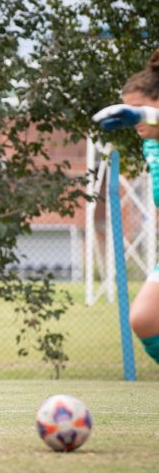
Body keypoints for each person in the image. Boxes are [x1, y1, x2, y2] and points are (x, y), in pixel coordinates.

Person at [93, 48, 159, 366]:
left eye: (138, 109)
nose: (132, 118)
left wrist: (146, 115)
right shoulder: (150, 143)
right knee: (145, 318)